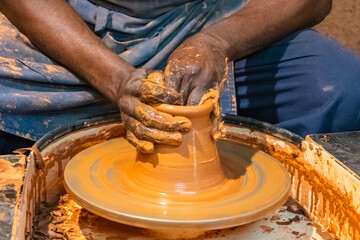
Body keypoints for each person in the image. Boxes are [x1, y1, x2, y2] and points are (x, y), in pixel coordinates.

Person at [0, 0, 359, 155]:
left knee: (340, 90)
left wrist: (216, 43)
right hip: (71, 29)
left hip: (216, 19)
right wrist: (116, 79)